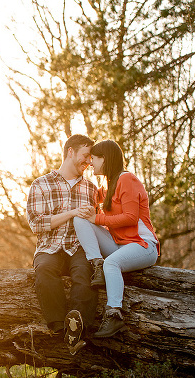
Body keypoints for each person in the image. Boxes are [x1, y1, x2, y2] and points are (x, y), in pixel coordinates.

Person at [73, 139, 159, 337]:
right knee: (80, 220)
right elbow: (94, 199)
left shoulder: (126, 179)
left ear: (105, 158)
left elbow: (130, 217)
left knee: (111, 263)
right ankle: (97, 265)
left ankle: (114, 314)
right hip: (120, 245)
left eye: (93, 158)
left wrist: (97, 217)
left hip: (143, 245)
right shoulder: (109, 185)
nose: (90, 163)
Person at [26, 134, 98, 354]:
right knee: (45, 270)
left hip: (78, 247)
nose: (88, 162)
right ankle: (58, 327)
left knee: (85, 275)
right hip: (50, 246)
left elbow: (97, 222)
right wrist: (72, 213)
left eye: (90, 159)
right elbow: (36, 225)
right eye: (85, 156)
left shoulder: (91, 189)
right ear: (70, 152)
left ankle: (78, 329)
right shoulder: (40, 184)